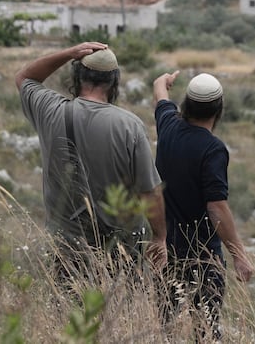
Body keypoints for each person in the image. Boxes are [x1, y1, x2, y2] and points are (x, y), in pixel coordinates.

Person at [16, 41, 166, 275]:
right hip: (118, 250)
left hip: (66, 248)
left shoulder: (50, 111)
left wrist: (69, 53)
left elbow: (26, 77)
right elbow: (149, 192)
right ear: (114, 81)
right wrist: (160, 237)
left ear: (77, 76)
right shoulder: (130, 126)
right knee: (119, 310)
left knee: (67, 308)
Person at [153, 70, 255, 338]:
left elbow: (160, 94)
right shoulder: (213, 149)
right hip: (202, 257)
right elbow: (216, 207)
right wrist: (240, 256)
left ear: (186, 103)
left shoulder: (168, 126)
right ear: (219, 109)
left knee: (164, 329)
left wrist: (165, 82)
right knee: (206, 331)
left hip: (165, 251)